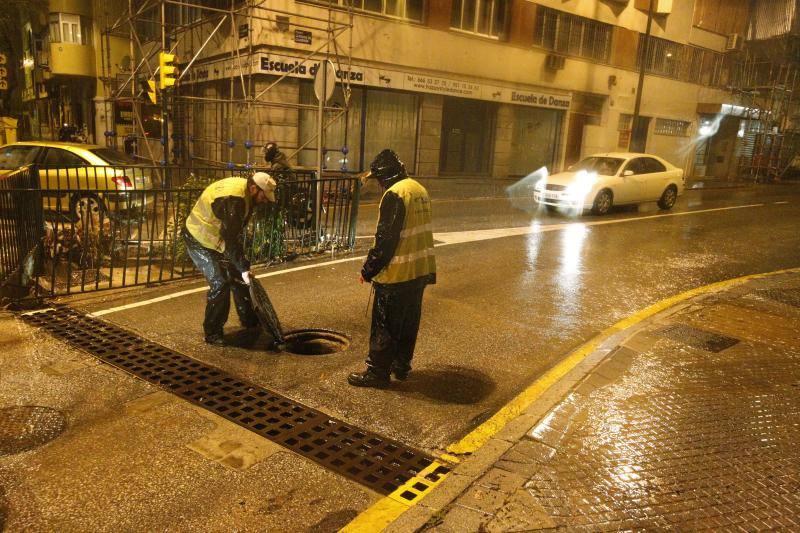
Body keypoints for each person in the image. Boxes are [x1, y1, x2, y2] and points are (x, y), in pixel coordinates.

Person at [348, 149, 436, 389]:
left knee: (385, 326)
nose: (377, 184)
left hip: (397, 274)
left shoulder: (394, 194)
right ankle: (401, 366)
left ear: (385, 177)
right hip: (420, 270)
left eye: (378, 179)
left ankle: (377, 373)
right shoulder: (418, 189)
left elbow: (386, 239)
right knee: (408, 322)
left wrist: (368, 270)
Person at [183, 172, 277, 346]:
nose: (265, 201)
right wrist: (243, 267)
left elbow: (231, 235)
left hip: (216, 239)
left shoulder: (245, 194)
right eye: (264, 196)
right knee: (221, 282)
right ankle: (212, 333)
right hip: (199, 239)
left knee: (239, 277)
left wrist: (242, 268)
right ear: (254, 188)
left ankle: (249, 321)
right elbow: (230, 238)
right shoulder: (235, 201)